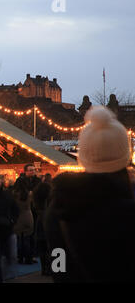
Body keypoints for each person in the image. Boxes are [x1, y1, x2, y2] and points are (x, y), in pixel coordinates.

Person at [45, 106, 135, 282]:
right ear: (125, 155)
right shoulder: (127, 208)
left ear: (83, 156)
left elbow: (58, 261)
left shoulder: (58, 209)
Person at [13, 164, 40, 264]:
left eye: (33, 170)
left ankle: (28, 255)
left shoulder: (37, 181)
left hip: (33, 210)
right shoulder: (21, 181)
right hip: (25, 211)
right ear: (25, 171)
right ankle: (25, 256)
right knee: (24, 235)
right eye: (30, 170)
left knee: (29, 235)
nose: (32, 172)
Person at [33, 173, 53, 275]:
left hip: (40, 221)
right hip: (51, 222)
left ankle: (44, 269)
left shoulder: (36, 196)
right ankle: (54, 269)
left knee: (42, 247)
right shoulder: (52, 197)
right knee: (53, 247)